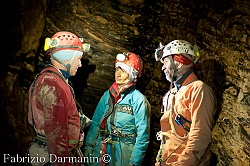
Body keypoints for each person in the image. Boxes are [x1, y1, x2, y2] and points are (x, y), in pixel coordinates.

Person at [28, 31, 91, 166]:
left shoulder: (57, 80)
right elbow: (56, 136)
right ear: (67, 59)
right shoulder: (53, 84)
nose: (80, 64)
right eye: (78, 59)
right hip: (50, 157)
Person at [154, 40, 217, 166]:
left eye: (166, 61)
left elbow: (200, 135)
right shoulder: (172, 93)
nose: (163, 67)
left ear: (179, 62)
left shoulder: (199, 90)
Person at [84, 52, 151, 166]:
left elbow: (143, 135)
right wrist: (89, 147)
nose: (118, 74)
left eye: (123, 71)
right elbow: (96, 122)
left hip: (123, 153)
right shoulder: (108, 95)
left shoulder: (139, 100)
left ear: (132, 74)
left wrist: (134, 162)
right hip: (100, 149)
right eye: (117, 70)